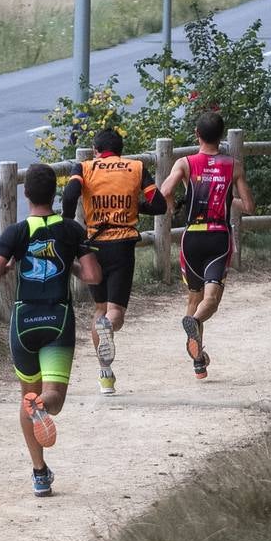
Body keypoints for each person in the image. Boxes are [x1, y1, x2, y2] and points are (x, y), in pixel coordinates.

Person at [0, 163, 101, 497]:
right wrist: (72, 265)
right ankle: (41, 408)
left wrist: (7, 265)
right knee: (54, 400)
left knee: (27, 396)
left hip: (23, 321)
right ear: (55, 194)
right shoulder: (72, 230)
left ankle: (39, 472)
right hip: (57, 319)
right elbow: (93, 276)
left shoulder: (16, 232)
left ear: (26, 194)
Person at [61, 128, 168, 395]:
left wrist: (66, 222)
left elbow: (70, 195)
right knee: (114, 312)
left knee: (99, 308)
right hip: (122, 246)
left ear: (96, 150)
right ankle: (109, 328)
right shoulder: (135, 167)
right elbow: (159, 206)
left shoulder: (84, 167)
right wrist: (134, 205)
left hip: (92, 244)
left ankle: (105, 375)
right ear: (121, 149)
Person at [159, 111, 255, 378]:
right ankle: (196, 322)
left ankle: (199, 361)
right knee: (210, 300)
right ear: (221, 136)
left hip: (192, 238)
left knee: (194, 297)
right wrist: (227, 200)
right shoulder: (233, 165)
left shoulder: (185, 163)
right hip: (218, 238)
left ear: (197, 135)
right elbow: (248, 206)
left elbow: (165, 192)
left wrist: (170, 208)